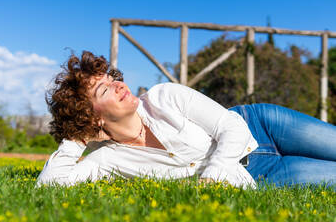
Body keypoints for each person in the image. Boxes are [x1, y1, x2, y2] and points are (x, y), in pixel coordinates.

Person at [36, 51, 336, 190]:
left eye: (111, 77)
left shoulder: (164, 96)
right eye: (104, 89)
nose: (117, 83)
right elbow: (50, 185)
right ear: (92, 116)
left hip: (261, 127)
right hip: (260, 173)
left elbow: (231, 126)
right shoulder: (108, 160)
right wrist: (80, 135)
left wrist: (213, 175)